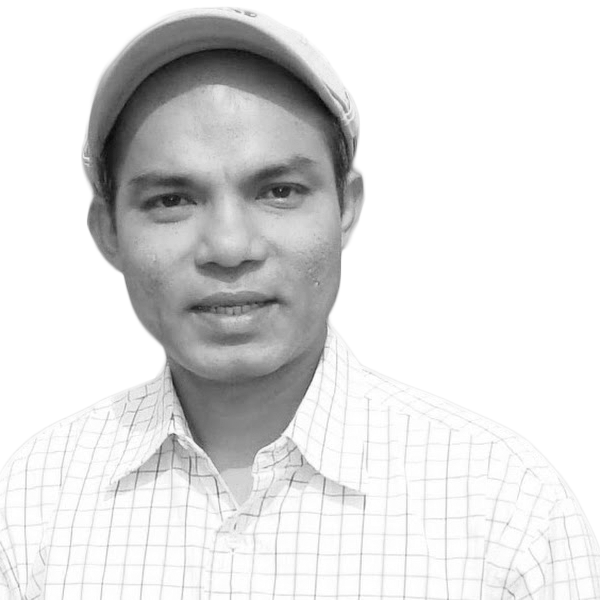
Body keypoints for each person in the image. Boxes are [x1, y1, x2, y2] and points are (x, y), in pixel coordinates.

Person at [1, 7, 598, 599]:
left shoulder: (505, 511)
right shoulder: (34, 504)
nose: (229, 247)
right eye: (172, 200)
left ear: (346, 207)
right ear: (108, 232)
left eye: (279, 191)